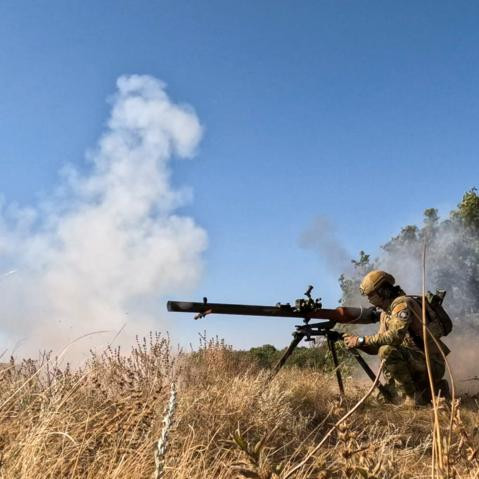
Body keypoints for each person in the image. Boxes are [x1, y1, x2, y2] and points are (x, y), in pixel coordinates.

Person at [343, 270, 449, 406]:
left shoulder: (402, 304)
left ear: (383, 291)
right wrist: (356, 343)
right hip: (416, 363)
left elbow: (394, 338)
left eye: (371, 295)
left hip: (431, 363)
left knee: (386, 350)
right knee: (383, 398)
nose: (369, 299)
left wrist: (361, 340)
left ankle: (412, 399)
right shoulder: (385, 314)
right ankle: (431, 390)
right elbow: (376, 347)